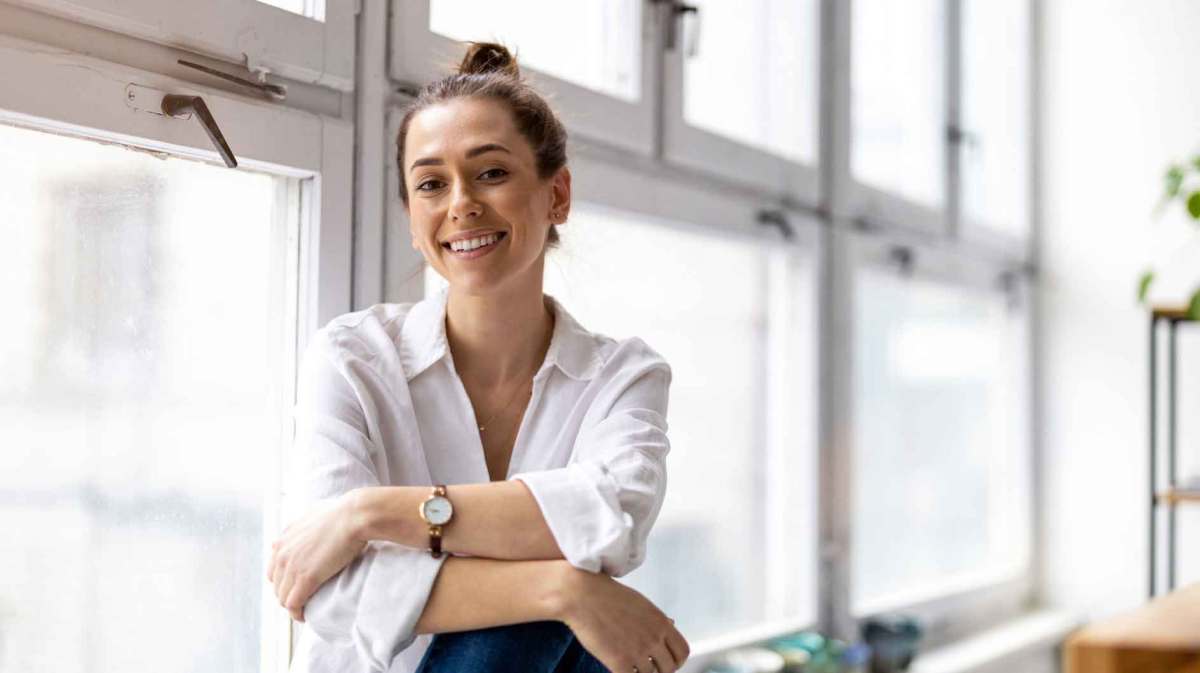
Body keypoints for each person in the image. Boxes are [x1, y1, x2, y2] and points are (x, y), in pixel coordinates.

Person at [265, 41, 690, 673]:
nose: (461, 203)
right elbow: (329, 589)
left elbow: (610, 523)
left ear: (557, 196)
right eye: (431, 183)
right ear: (413, 219)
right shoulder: (352, 356)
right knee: (559, 611)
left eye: (491, 172)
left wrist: (369, 513)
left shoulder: (622, 377)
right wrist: (564, 590)